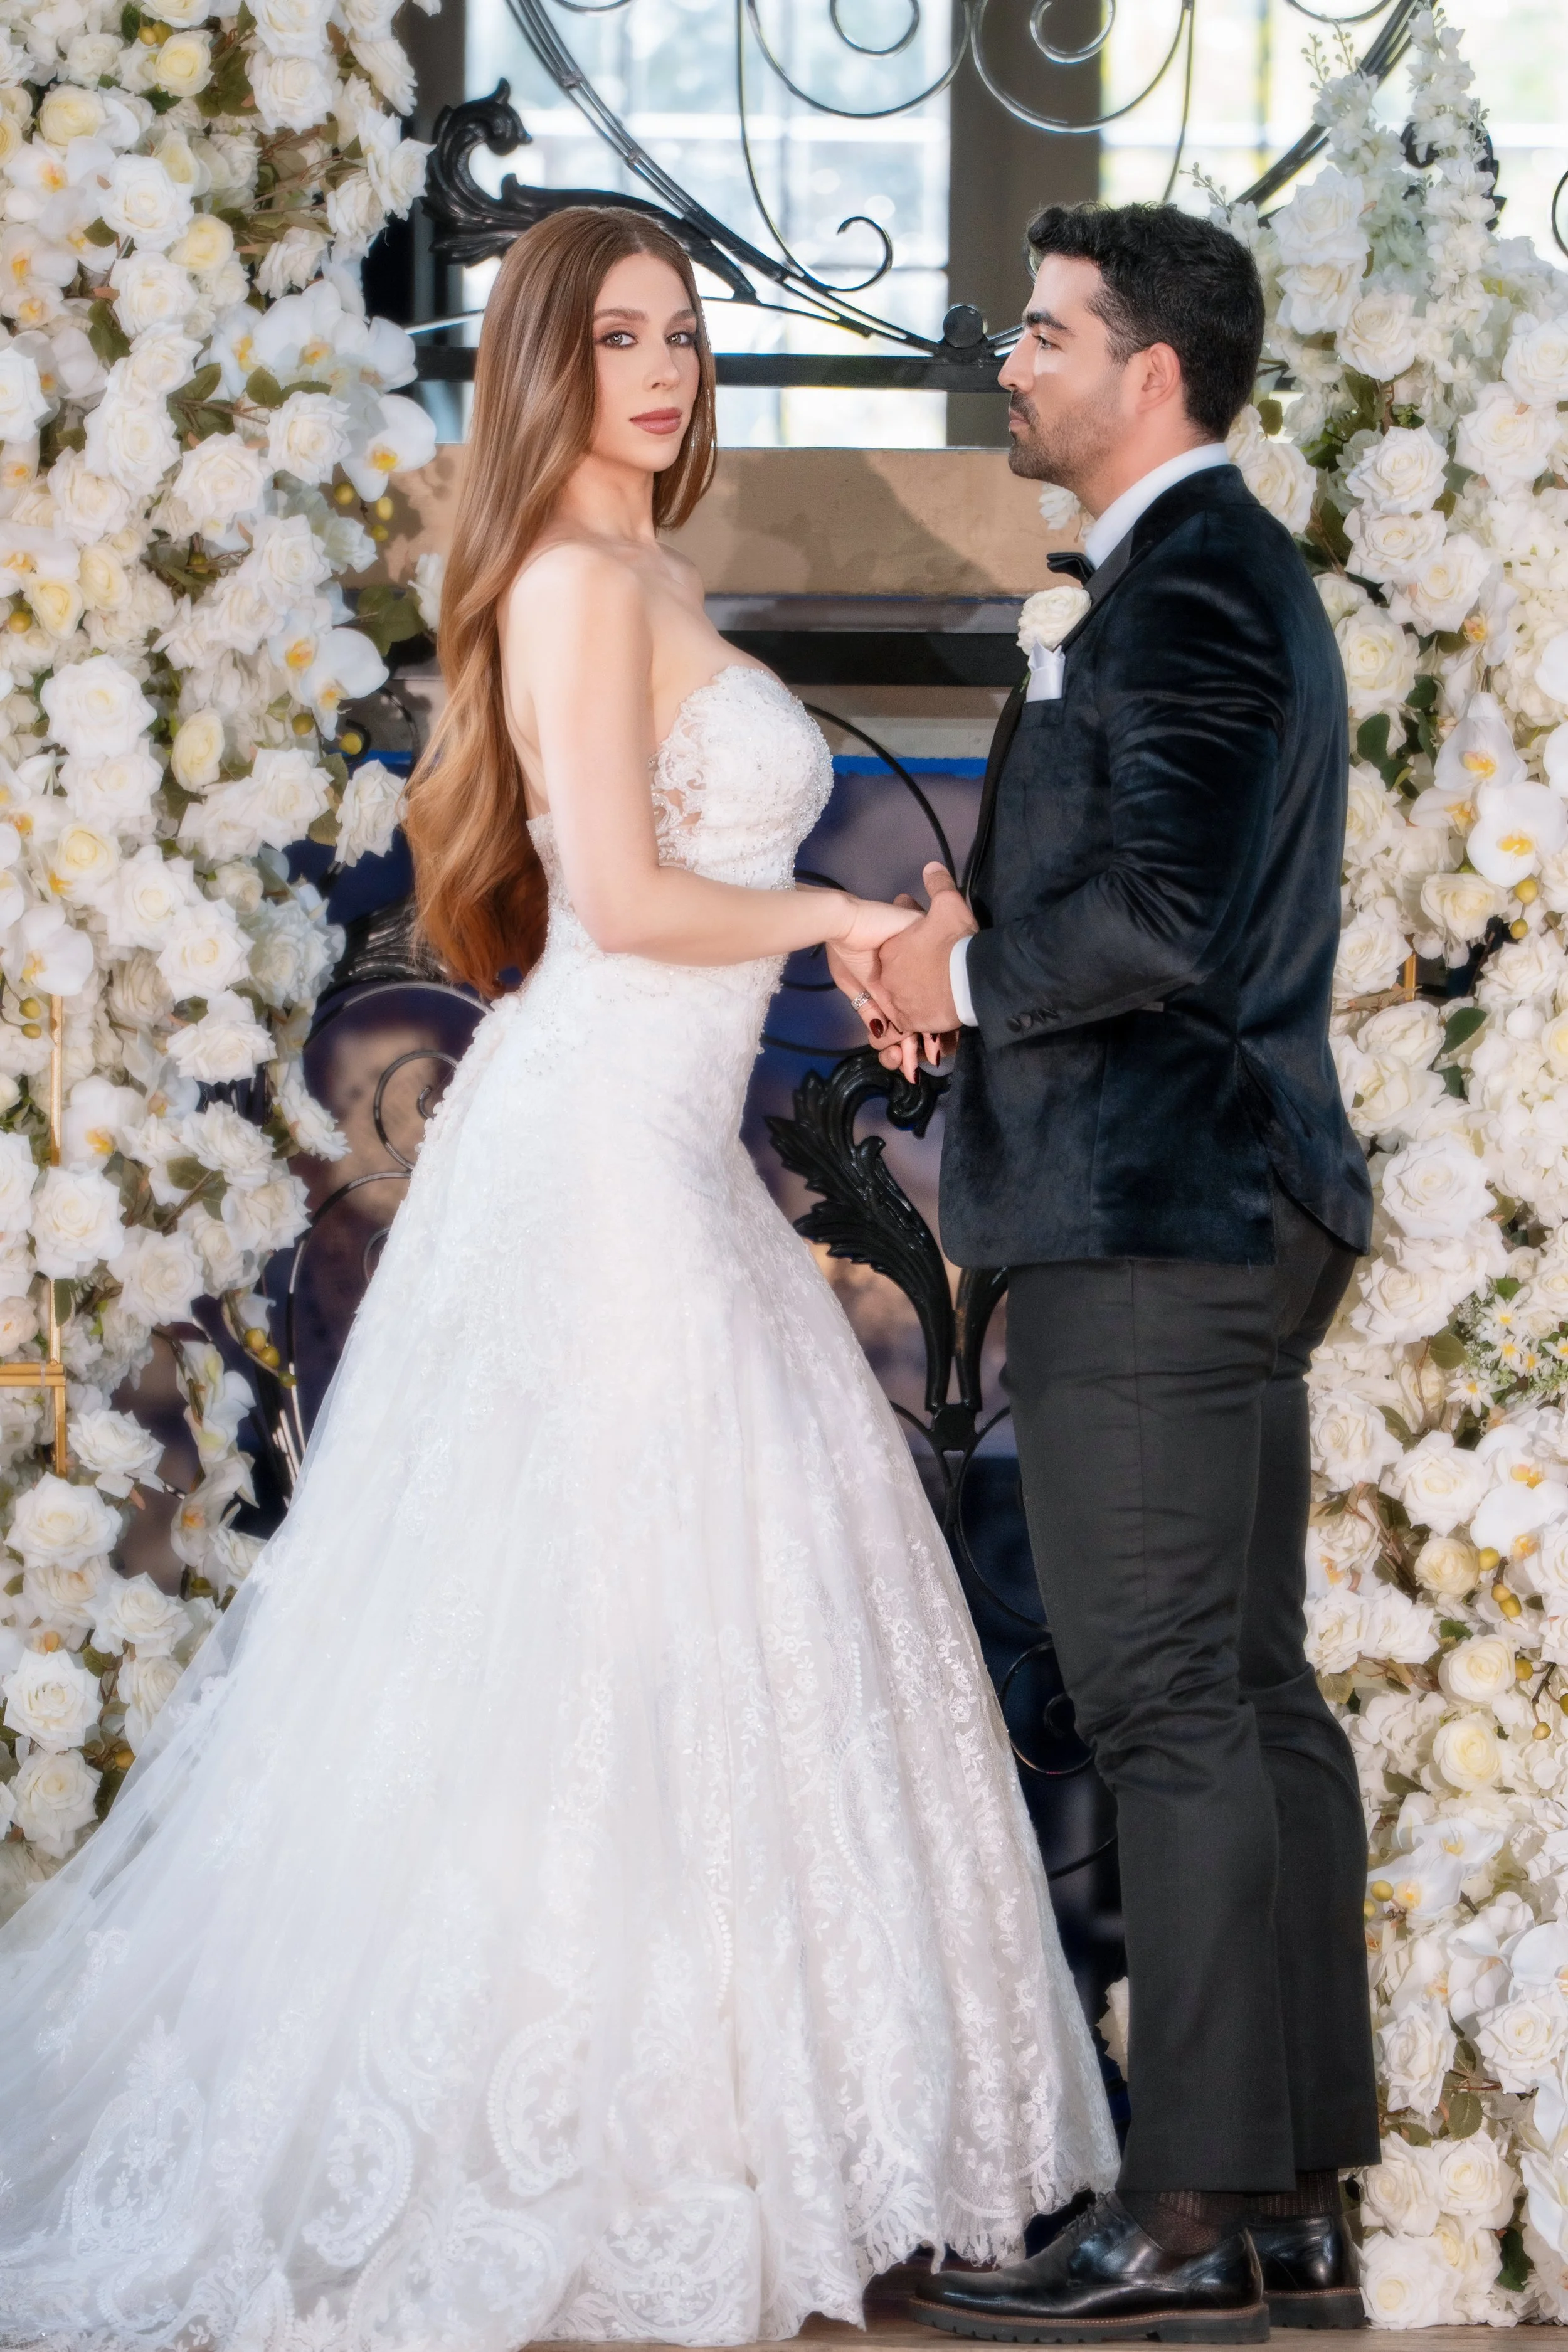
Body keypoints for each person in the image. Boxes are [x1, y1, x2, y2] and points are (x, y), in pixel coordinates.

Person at [0, 206, 1117, 2351]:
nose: (663, 370)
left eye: (682, 335)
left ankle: (722, 2132)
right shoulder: (574, 582)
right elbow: (618, 898)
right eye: (616, 338)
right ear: (542, 362)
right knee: (600, 1626)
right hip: (594, 1148)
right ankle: (600, 2143)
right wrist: (849, 935)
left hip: (654, 1149)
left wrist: (883, 950)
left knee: (704, 1613)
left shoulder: (651, 575)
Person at [845, 203, 1380, 2343]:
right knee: (1249, 1702)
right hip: (1211, 1201)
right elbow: (1139, 882)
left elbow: (1155, 916)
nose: (1013, 364)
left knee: (1172, 1704)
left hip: (1157, 1214)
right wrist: (955, 957)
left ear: (1144, 369)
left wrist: (958, 968)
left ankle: (1177, 2212)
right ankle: (1280, 2197)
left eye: (1045, 333)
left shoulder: (1189, 590)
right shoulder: (1183, 584)